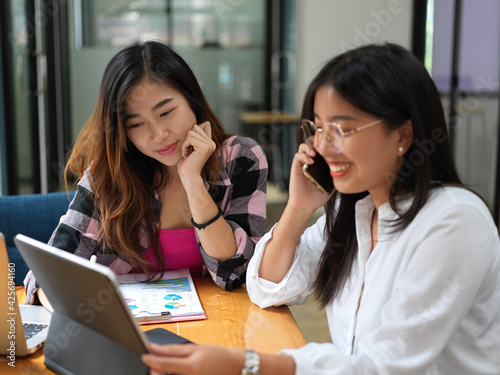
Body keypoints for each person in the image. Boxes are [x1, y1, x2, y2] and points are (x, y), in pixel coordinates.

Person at [140, 43, 500, 374]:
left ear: (403, 135)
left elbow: (383, 366)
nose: (324, 146)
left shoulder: (453, 221)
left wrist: (246, 363)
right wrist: (298, 208)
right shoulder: (355, 210)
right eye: (318, 128)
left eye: (342, 129)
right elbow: (268, 288)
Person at [24, 41, 268, 304]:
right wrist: (68, 314)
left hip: (221, 324)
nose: (159, 135)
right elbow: (46, 276)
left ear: (192, 100)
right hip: (133, 332)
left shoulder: (241, 157)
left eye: (166, 112)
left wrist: (192, 180)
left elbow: (236, 272)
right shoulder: (110, 174)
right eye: (137, 124)